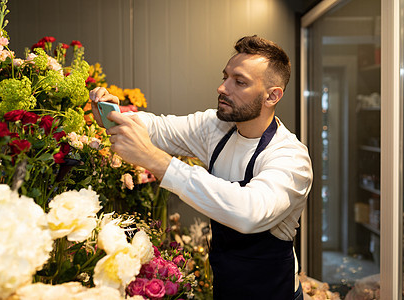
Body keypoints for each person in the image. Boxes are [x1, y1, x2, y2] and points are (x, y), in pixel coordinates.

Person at [90, 35, 312, 300]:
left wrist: (157, 161)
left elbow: (248, 212)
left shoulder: (290, 157)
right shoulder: (216, 127)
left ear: (272, 96)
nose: (222, 88)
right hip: (226, 289)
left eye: (239, 82)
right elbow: (158, 128)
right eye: (225, 77)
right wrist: (111, 113)